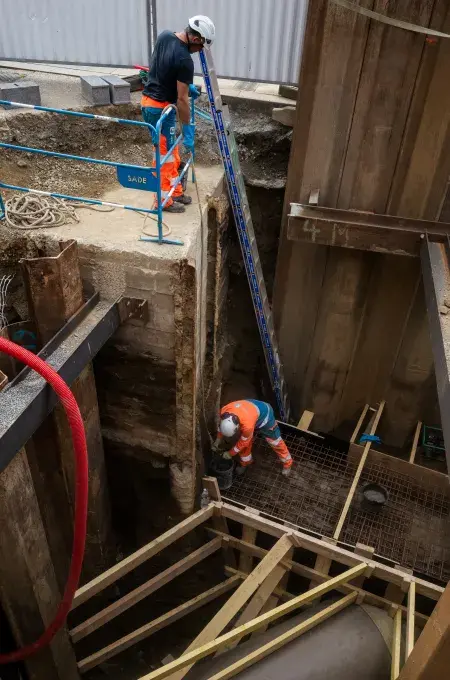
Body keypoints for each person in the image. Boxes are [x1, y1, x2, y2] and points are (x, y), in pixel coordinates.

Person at [141, 15, 215, 213]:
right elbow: (182, 100)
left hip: (153, 103)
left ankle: (175, 191)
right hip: (160, 109)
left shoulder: (165, 36)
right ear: (197, 39)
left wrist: (185, 85)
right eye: (201, 47)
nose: (199, 51)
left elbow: (163, 67)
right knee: (163, 155)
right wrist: (188, 128)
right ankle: (163, 200)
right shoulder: (185, 61)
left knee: (172, 151)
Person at [213, 399, 293, 476]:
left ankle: (287, 464)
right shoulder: (224, 411)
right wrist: (218, 440)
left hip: (265, 414)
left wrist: (230, 453)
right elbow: (221, 427)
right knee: (245, 444)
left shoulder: (247, 426)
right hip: (250, 407)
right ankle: (246, 463)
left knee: (275, 442)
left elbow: (243, 442)